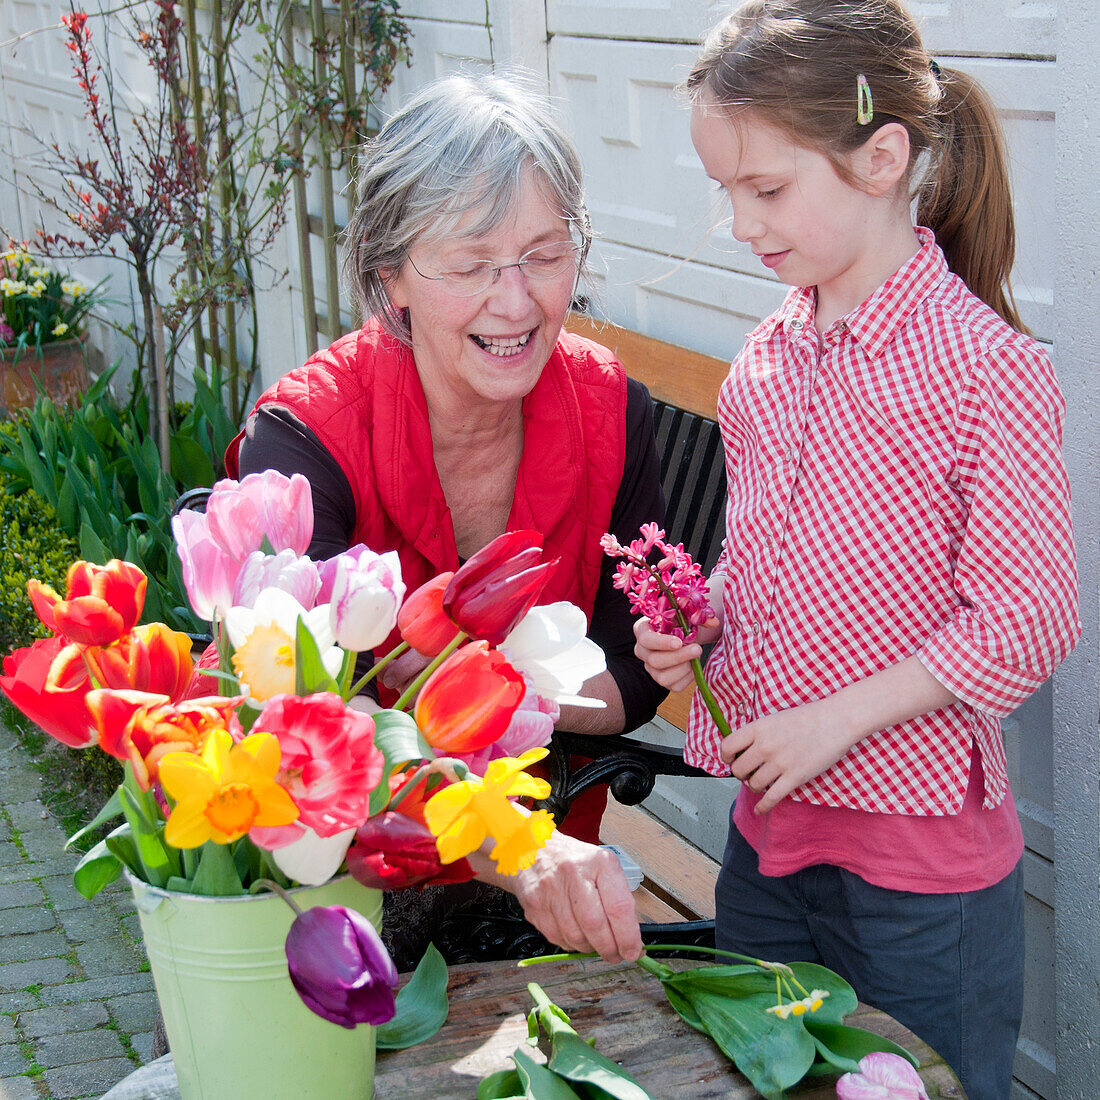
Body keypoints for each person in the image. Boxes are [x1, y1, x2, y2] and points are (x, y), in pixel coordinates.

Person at [634, 4, 1080, 1099]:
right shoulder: (768, 357)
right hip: (769, 846)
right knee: (760, 1082)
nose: (739, 222)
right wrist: (706, 623)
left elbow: (1028, 616)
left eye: (766, 188)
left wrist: (833, 719)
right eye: (725, 189)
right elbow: (766, 553)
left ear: (881, 159)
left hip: (916, 877)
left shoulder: (983, 369)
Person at [225, 72, 664, 967]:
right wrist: (511, 823)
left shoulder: (612, 413)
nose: (516, 303)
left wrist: (453, 687)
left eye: (545, 255)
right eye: (469, 265)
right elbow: (300, 720)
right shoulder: (307, 440)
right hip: (332, 875)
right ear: (393, 278)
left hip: (549, 880)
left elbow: (633, 675)